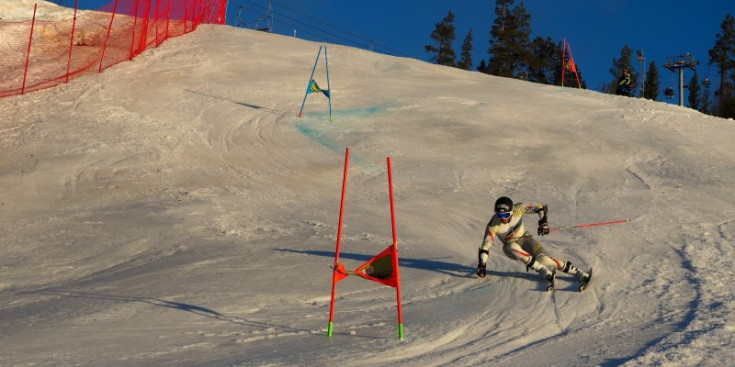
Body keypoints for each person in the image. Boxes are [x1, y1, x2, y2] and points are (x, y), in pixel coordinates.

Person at [476, 196, 591, 285]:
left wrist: (543, 222)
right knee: (512, 247)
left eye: (505, 214)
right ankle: (541, 270)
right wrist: (482, 264)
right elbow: (485, 246)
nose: (503, 218)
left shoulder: (518, 209)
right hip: (510, 248)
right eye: (499, 215)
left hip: (526, 239)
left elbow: (539, 207)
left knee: (545, 260)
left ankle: (578, 272)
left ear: (511, 212)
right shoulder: (494, 225)